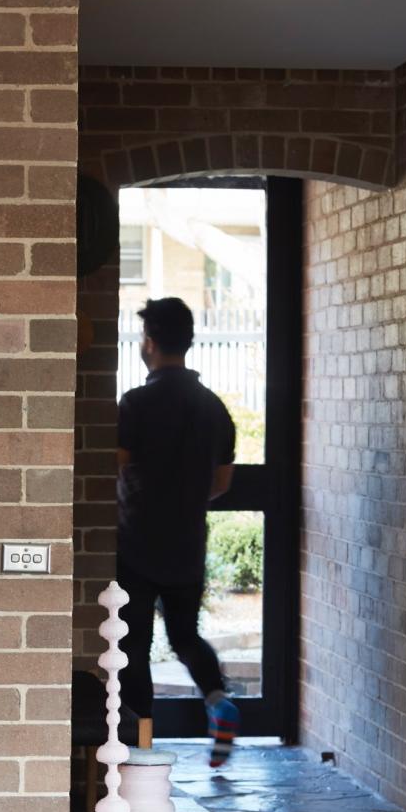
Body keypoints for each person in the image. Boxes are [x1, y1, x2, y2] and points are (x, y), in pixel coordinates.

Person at [116, 295, 240, 767]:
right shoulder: (214, 409)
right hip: (187, 541)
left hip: (135, 544)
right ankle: (217, 700)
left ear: (148, 344)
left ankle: (142, 746)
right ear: (188, 342)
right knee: (186, 635)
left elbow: (118, 469)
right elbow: (222, 483)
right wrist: (184, 500)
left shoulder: (135, 404)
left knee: (135, 646)